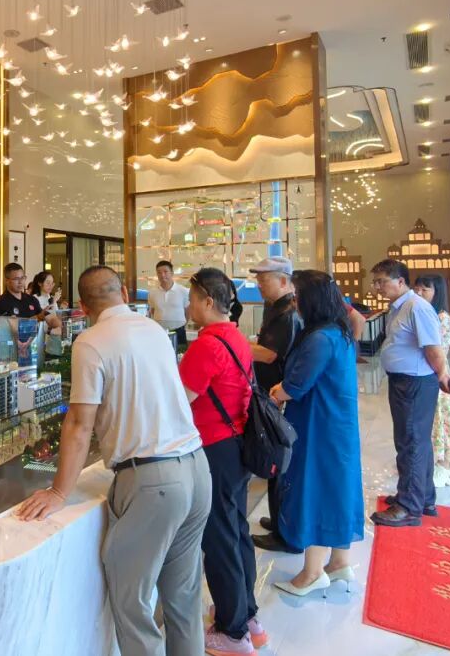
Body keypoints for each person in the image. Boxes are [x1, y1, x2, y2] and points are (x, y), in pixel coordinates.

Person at [17, 266, 210, 656]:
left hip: (153, 481)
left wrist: (59, 492)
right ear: (123, 293)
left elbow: (79, 423)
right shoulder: (154, 329)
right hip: (197, 468)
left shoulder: (90, 342)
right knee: (183, 599)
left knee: (131, 601)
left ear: (83, 306)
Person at [178, 268, 264, 655]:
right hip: (237, 443)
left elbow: (180, 398)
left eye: (192, 299)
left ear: (207, 302)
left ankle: (232, 632)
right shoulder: (236, 337)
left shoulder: (207, 345)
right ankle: (246, 614)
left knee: (219, 538)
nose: (189, 306)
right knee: (236, 530)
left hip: (215, 447)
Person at [269, 271, 364, 596]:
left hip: (318, 425)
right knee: (337, 487)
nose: (295, 302)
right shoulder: (339, 331)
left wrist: (277, 392)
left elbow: (296, 386)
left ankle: (312, 572)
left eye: (298, 296)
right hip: (336, 424)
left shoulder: (320, 338)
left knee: (316, 489)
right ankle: (339, 561)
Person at [369, 259, 450, 527]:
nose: (377, 287)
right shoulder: (400, 307)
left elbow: (433, 348)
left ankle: (409, 507)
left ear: (400, 281)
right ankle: (422, 497)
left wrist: (443, 375)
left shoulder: (417, 307)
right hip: (405, 381)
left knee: (412, 442)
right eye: (375, 282)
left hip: (414, 382)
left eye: (382, 281)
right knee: (415, 441)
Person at [247, 256, 304, 554]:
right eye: (258, 279)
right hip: (269, 393)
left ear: (283, 281)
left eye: (264, 279)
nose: (259, 285)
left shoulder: (288, 312)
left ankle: (284, 531)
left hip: (279, 396)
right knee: (274, 461)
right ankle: (279, 519)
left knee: (279, 461)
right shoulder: (274, 308)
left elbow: (270, 354)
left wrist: (233, 344)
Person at [415, 275, 450, 487]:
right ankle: (437, 464)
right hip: (428, 372)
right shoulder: (428, 314)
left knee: (442, 419)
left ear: (437, 292)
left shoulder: (441, 317)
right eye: (417, 289)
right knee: (432, 421)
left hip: (437, 373)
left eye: (425, 290)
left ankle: (445, 466)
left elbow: (435, 350)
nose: (419, 293)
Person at [0, 262, 63, 330]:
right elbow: (16, 328)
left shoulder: (31, 299)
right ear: (7, 281)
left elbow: (50, 318)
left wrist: (62, 327)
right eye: (16, 279)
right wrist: (38, 317)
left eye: (23, 278)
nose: (20, 282)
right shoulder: (2, 302)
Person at [147, 260, 190, 347]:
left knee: (179, 353)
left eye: (165, 272)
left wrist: (184, 326)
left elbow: (188, 311)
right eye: (159, 272)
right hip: (159, 331)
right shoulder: (152, 293)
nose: (162, 275)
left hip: (179, 330)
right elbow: (152, 311)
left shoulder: (183, 291)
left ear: (172, 273)